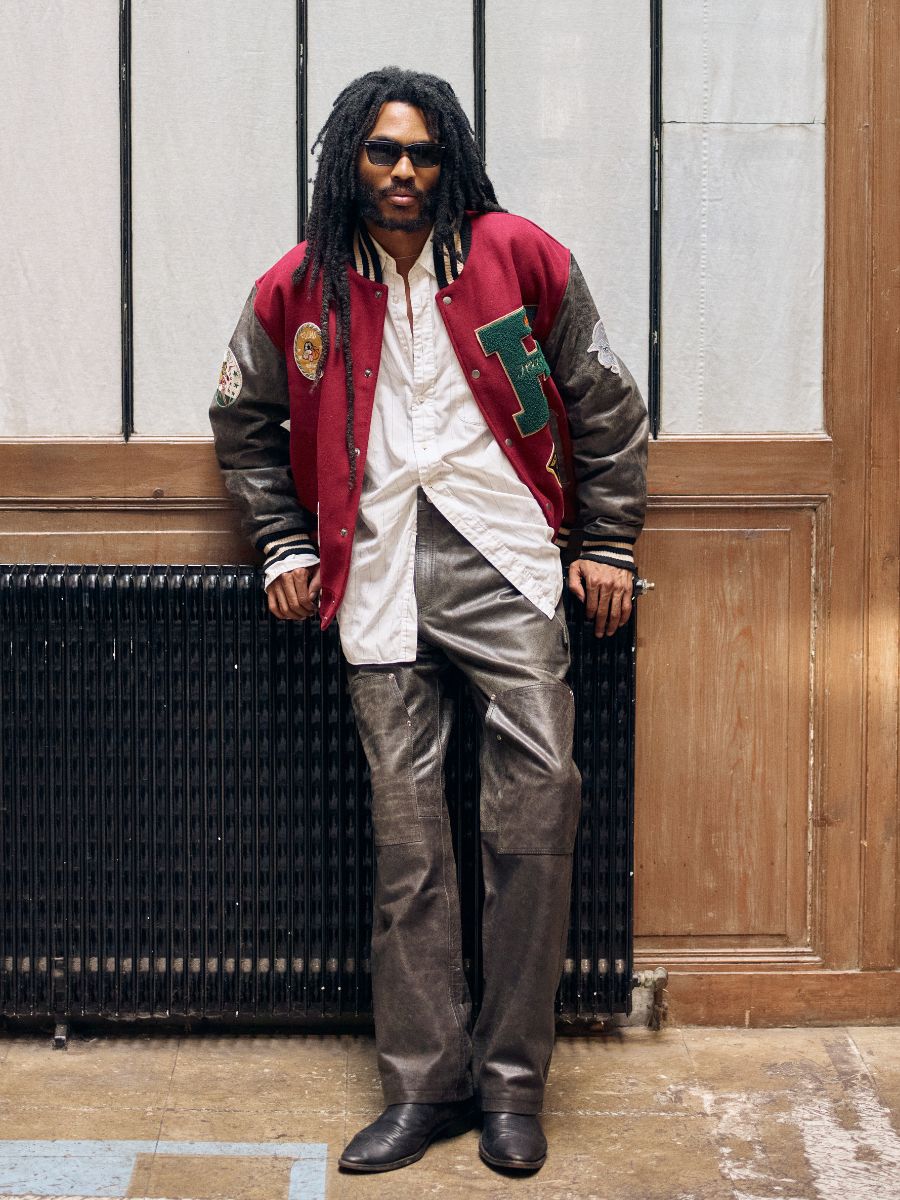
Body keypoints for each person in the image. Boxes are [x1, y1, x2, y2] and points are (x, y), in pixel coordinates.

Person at [209, 66, 648, 1175]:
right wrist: (284, 544)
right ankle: (424, 1088)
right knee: (409, 847)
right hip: (377, 566)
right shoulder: (296, 286)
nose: (405, 173)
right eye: (383, 153)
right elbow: (244, 417)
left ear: (450, 159)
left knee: (538, 811)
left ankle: (512, 1088)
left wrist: (605, 541)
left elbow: (606, 402)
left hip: (505, 558)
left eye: (424, 154)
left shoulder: (521, 257)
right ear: (349, 160)